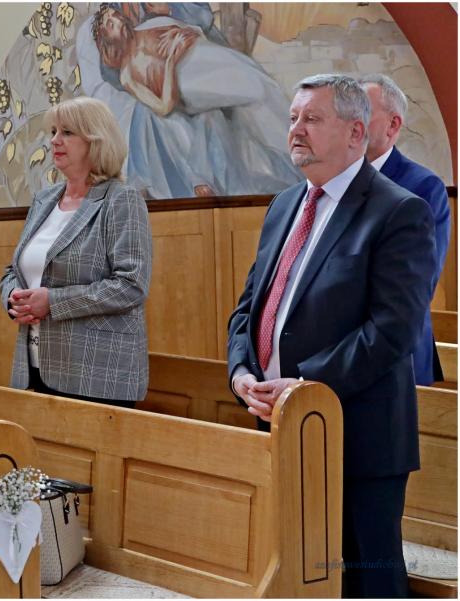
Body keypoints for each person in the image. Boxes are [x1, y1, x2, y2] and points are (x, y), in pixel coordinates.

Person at [227, 74, 437, 597]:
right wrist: (241, 372)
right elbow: (249, 308)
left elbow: (392, 330)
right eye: (293, 118)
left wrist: (304, 384)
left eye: (312, 119)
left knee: (367, 577)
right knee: (301, 571)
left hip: (358, 432)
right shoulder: (283, 206)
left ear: (355, 132)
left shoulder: (398, 210)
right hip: (278, 423)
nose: (296, 129)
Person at [0, 96, 152, 408]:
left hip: (96, 373)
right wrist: (13, 298)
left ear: (96, 141)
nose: (55, 141)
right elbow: (14, 270)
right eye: (53, 132)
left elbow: (131, 285)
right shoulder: (44, 200)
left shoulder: (121, 200)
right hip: (36, 363)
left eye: (67, 132)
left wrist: (52, 302)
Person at [81, 3, 300, 198]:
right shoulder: (112, 18)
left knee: (257, 87)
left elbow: (202, 15)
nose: (117, 20)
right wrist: (160, 62)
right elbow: (112, 72)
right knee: (245, 95)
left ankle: (295, 161)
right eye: (111, 23)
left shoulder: (126, 20)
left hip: (194, 53)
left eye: (115, 19)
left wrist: (170, 12)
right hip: (173, 78)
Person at [359, 73, 451, 385]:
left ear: (393, 125)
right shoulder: (334, 183)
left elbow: (418, 284)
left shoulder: (423, 187)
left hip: (397, 358)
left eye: (363, 112)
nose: (352, 122)